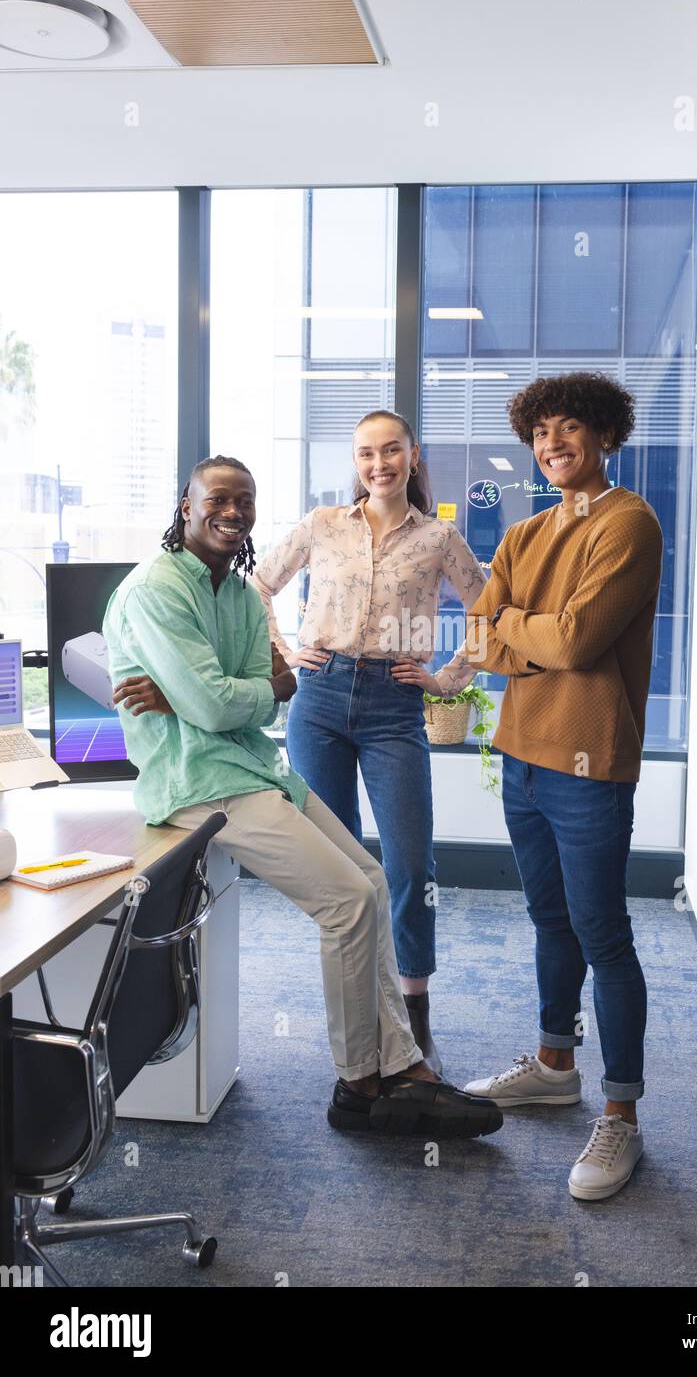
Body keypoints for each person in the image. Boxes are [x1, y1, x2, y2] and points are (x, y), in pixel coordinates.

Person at [102, 453, 502, 1141]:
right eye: (218, 500)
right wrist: (218, 698)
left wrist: (213, 698)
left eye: (245, 501)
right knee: (344, 903)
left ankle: (401, 1061)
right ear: (186, 505)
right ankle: (358, 1085)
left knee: (373, 880)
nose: (233, 513)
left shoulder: (232, 592)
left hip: (253, 766)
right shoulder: (156, 589)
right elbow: (235, 698)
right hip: (198, 782)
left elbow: (249, 705)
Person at [450, 373, 663, 1200]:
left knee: (602, 934)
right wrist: (513, 634)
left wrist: (509, 632)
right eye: (540, 434)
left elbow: (575, 643)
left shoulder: (629, 522)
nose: (552, 445)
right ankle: (552, 1063)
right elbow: (477, 638)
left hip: (588, 762)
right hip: (521, 757)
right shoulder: (523, 531)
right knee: (547, 919)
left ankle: (622, 1117)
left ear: (603, 435)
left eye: (569, 429)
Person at [250, 411, 488, 1073]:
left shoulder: (439, 537)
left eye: (390, 451)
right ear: (354, 461)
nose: (378, 463)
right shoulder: (323, 525)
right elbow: (258, 583)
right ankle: (361, 1008)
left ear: (412, 455)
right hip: (320, 699)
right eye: (365, 453)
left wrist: (445, 679)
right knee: (338, 864)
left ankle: (413, 1009)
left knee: (410, 864)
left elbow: (488, 609)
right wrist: (284, 652)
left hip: (393, 702)